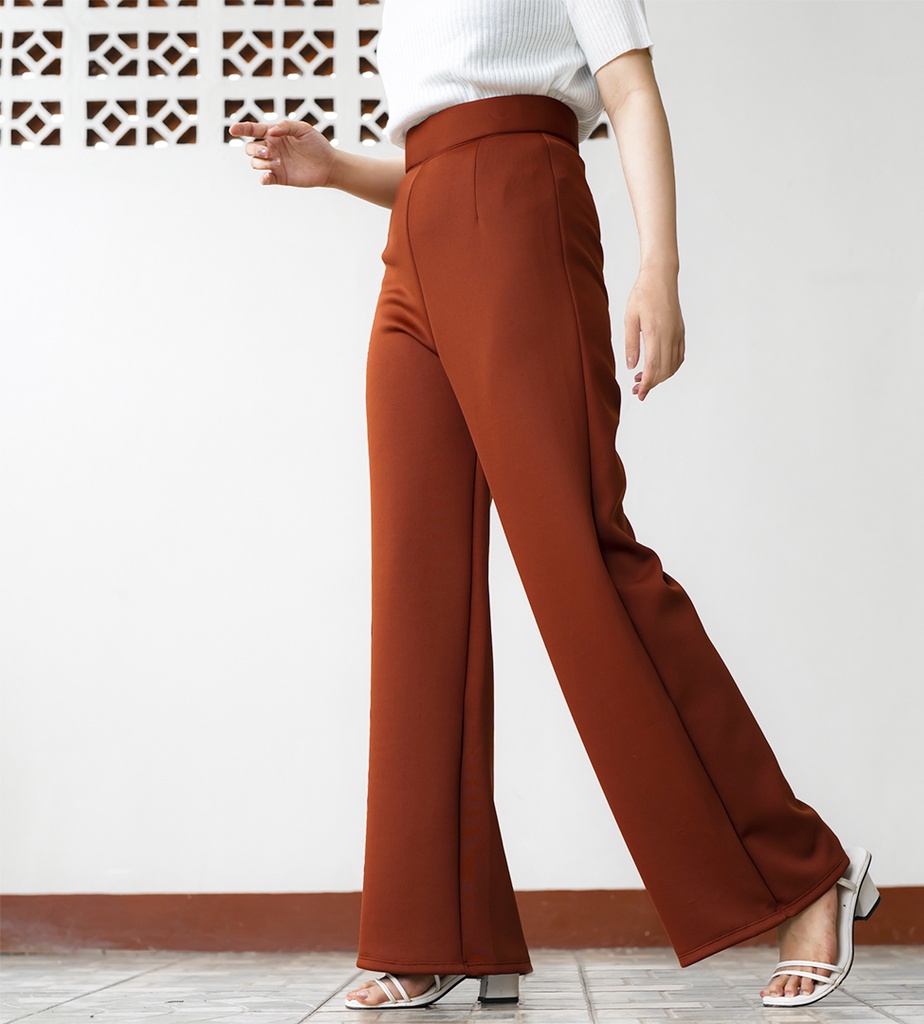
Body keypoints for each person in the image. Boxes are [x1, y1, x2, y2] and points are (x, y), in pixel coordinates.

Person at [230, 0, 878, 1012]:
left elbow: (627, 90)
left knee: (579, 562)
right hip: (414, 248)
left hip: (519, 218)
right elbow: (438, 151)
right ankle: (434, 929)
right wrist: (336, 168)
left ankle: (802, 874)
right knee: (419, 594)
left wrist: (659, 266)